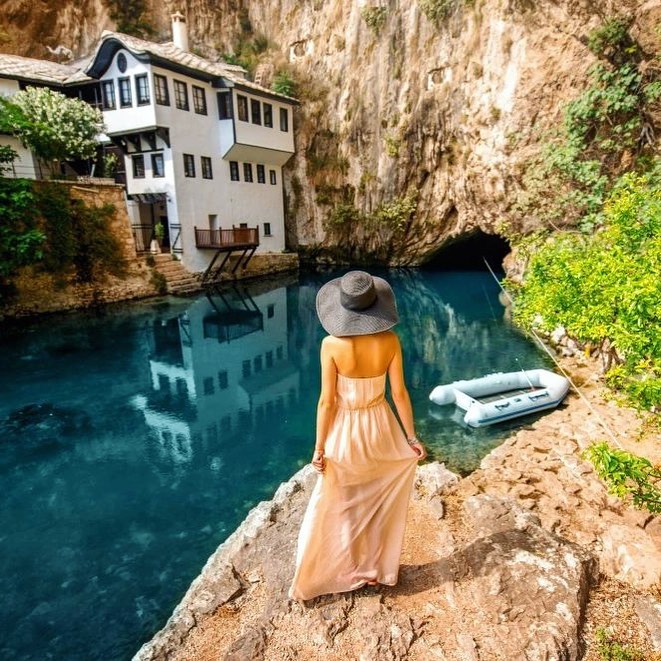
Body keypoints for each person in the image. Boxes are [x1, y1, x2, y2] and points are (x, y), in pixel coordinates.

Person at [289, 270, 427, 601]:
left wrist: (319, 447)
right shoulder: (390, 341)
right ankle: (375, 570)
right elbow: (400, 394)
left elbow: (327, 401)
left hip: (346, 432)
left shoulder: (331, 345)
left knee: (345, 504)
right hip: (381, 426)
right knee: (377, 500)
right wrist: (411, 438)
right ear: (376, 307)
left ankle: (352, 569)